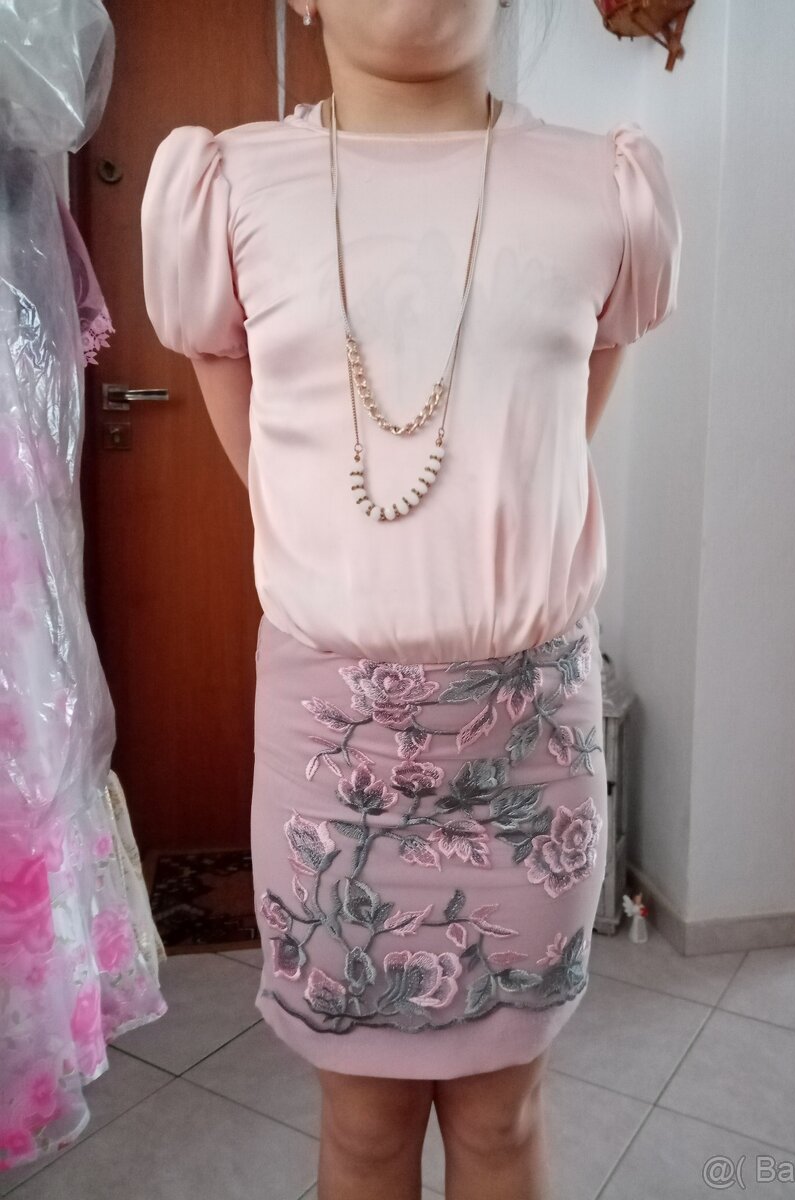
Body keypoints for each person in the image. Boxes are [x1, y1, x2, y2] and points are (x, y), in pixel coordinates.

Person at [140, 2, 682, 1196]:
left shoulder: (602, 188)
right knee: (364, 1124)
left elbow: (560, 422)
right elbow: (255, 434)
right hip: (332, 752)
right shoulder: (230, 187)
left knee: (503, 1116)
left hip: (531, 742)